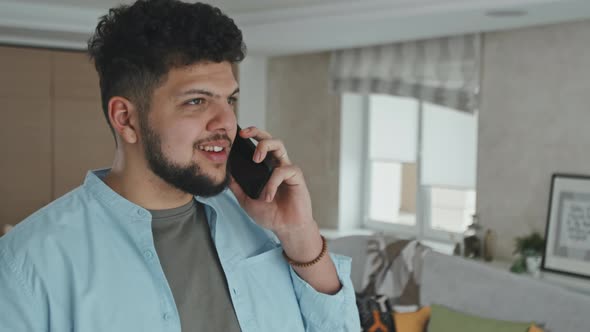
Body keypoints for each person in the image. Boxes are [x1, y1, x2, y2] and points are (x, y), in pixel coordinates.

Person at [0, 0, 360, 331]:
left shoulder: (264, 221)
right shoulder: (26, 264)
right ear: (126, 119)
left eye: (230, 99)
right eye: (197, 101)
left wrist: (300, 235)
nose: (227, 122)